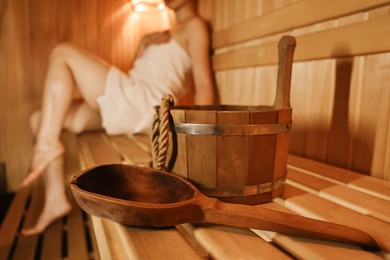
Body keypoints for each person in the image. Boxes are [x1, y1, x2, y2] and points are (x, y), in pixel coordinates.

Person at [20, 0, 217, 236]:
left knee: (62, 52)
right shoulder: (160, 34)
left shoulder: (195, 26)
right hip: (133, 99)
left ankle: (45, 146)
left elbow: (204, 83)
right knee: (38, 119)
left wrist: (202, 134)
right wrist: (142, 46)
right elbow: (136, 72)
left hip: (146, 103)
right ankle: (54, 200)